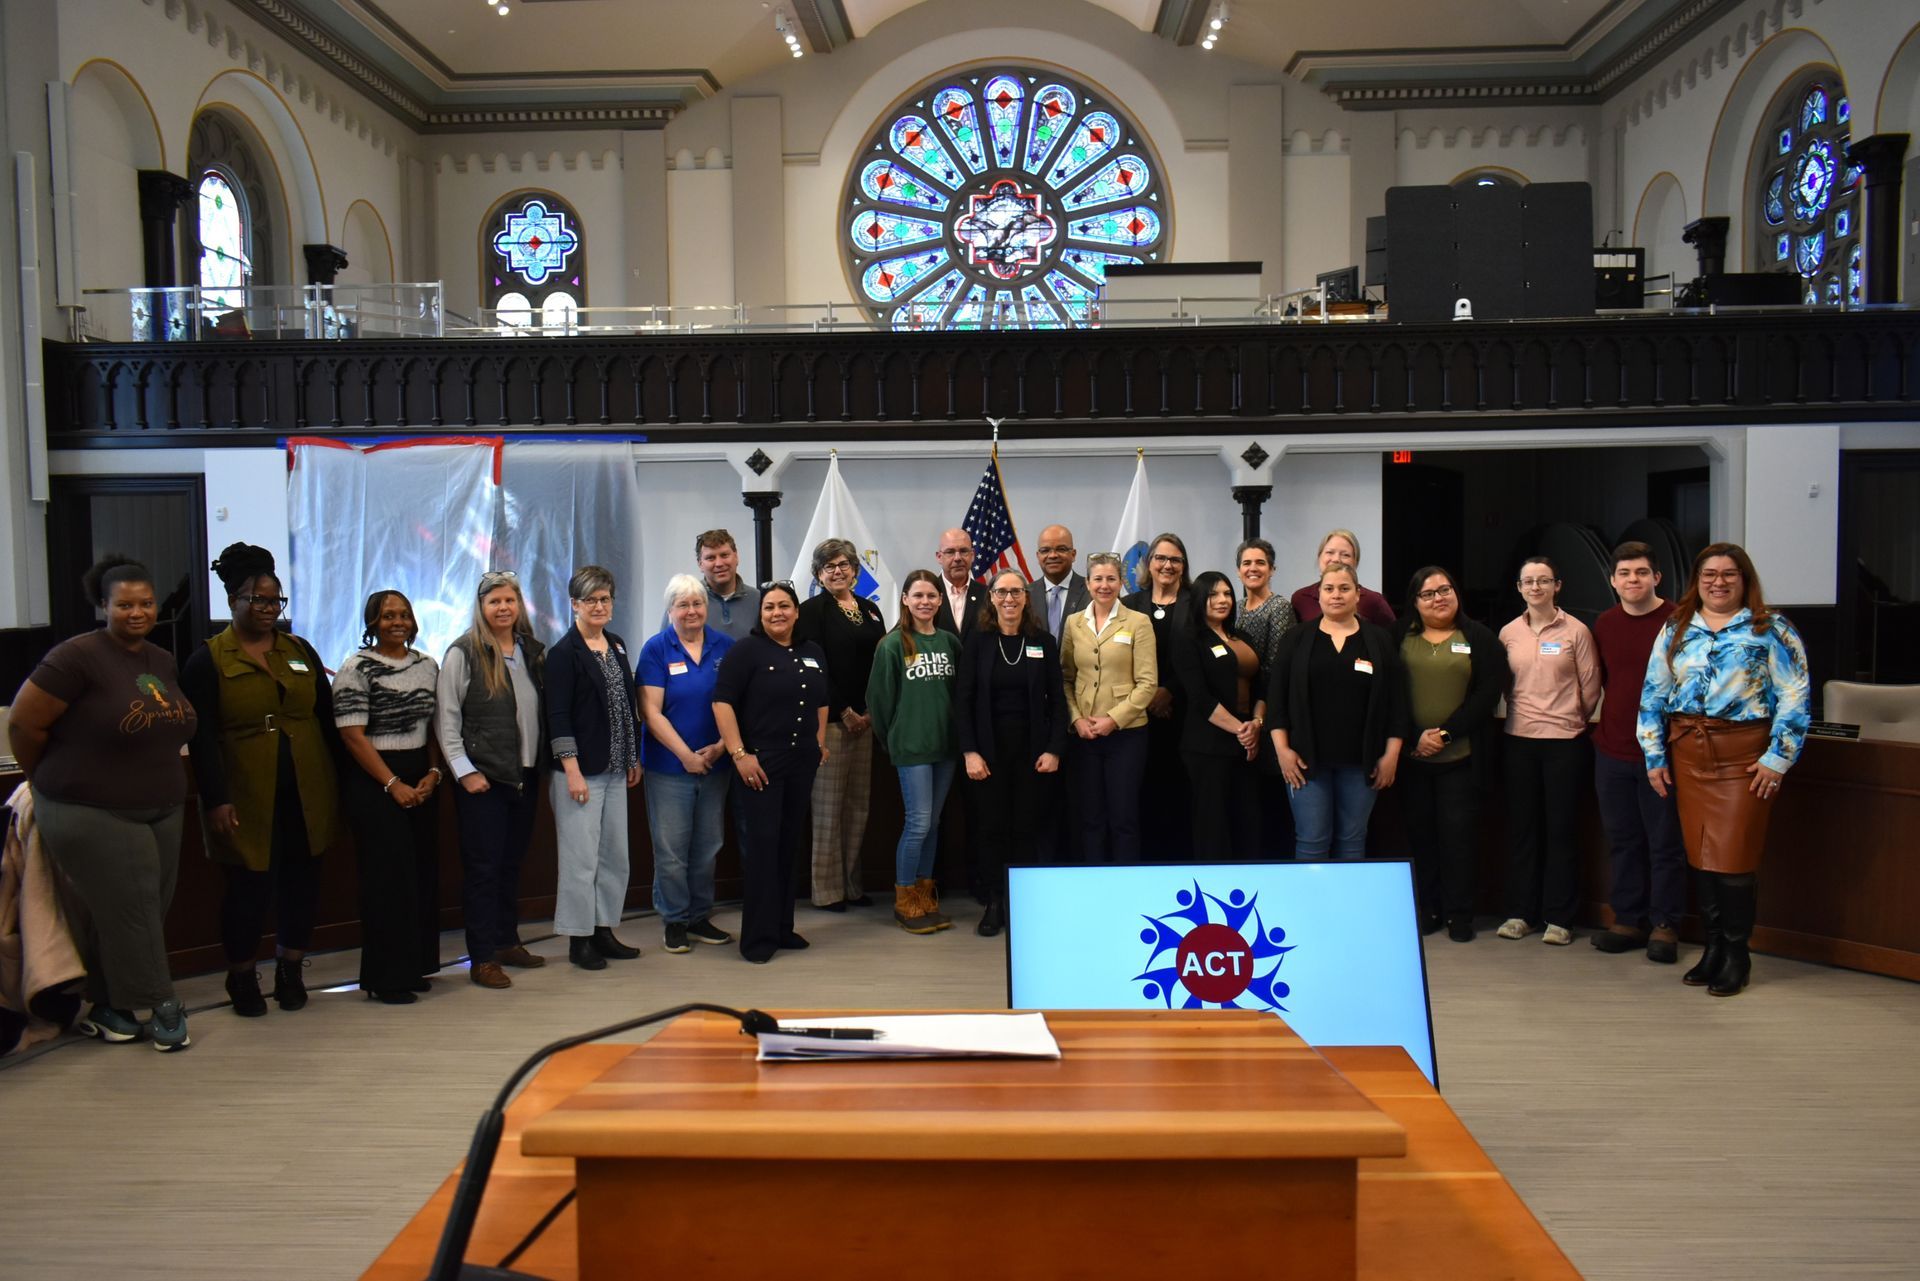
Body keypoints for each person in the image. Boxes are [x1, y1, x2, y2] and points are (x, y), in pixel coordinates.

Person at [7, 556, 197, 1050]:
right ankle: (163, 1007)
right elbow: (23, 725)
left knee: (141, 911)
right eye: (125, 605)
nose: (138, 613)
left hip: (162, 803)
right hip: (90, 809)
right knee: (134, 909)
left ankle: (109, 1005)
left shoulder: (160, 659)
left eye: (146, 603)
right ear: (103, 606)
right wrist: (43, 779)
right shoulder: (74, 658)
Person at [1639, 543, 1810, 998]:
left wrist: (1778, 758)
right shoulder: (1677, 626)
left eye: (1729, 574)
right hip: (1687, 752)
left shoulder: (1771, 628)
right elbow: (1653, 693)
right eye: (1709, 574)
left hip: (1744, 756)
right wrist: (1654, 756)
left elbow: (1795, 695)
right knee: (1701, 856)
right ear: (1697, 581)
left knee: (1734, 858)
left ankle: (1737, 954)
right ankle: (1713, 948)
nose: (1719, 582)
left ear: (1744, 579)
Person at [181, 543, 339, 1018]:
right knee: (248, 889)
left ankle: (290, 969)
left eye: (275, 601)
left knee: (302, 884)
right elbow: (201, 738)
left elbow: (325, 718)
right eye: (258, 600)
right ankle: (242, 974)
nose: (269, 609)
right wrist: (215, 799)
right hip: (245, 796)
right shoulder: (208, 660)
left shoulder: (299, 650)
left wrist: (341, 786)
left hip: (307, 791)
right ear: (233, 601)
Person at [435, 569, 549, 991]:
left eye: (509, 600)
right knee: (483, 870)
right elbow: (446, 718)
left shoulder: (531, 650)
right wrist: (465, 772)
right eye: (495, 601)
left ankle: (506, 942)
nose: (503, 608)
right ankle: (482, 958)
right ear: (481, 606)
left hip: (525, 775)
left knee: (511, 865)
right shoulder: (463, 652)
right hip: (483, 780)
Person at [333, 590, 443, 1004]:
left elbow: (433, 727)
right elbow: (352, 736)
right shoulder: (356, 668)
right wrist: (392, 783)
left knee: (420, 876)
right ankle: (386, 978)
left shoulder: (428, 665)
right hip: (374, 781)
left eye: (404, 615)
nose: (397, 622)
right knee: (388, 881)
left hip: (421, 778)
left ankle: (413, 967)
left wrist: (434, 772)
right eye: (387, 616)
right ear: (372, 624)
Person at [712, 582, 828, 964]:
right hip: (760, 763)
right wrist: (739, 754)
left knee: (789, 844)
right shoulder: (746, 651)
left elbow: (822, 701)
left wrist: (819, 742)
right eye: (769, 607)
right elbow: (722, 703)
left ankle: (782, 928)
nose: (777, 613)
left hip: (801, 762)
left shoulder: (813, 652)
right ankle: (758, 938)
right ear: (760, 614)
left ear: (796, 611)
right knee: (763, 848)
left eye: (784, 606)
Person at [1396, 566, 1508, 941]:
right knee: (1421, 837)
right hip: (1412, 759)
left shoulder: (1478, 637)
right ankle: (1428, 909)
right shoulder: (1398, 636)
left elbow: (1487, 694)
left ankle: (1460, 914)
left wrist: (1444, 734)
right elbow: (1388, 695)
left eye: (1445, 590)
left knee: (1458, 839)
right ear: (1415, 601)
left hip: (1461, 758)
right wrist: (1414, 736)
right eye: (1428, 594)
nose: (1438, 598)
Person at [1496, 556, 1601, 946]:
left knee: (1561, 831)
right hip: (1519, 741)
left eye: (1543, 581)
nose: (1535, 587)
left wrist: (1566, 718)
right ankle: (1520, 913)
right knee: (1522, 831)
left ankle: (1559, 918)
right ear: (1519, 588)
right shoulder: (1508, 632)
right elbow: (1504, 685)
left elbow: (1591, 688)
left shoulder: (1577, 631)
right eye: (1528, 581)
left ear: (1557, 585)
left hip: (1565, 743)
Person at [1268, 564, 1406, 859]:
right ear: (1319, 594)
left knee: (1353, 842)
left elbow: (1397, 703)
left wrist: (1391, 754)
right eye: (1329, 589)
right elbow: (1276, 700)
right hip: (1305, 762)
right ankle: (1312, 894)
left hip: (1362, 762)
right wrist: (1282, 751)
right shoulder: (1296, 638)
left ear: (1358, 594)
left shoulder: (1380, 640)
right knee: (1311, 842)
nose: (1336, 595)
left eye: (1344, 588)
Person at [1590, 542, 1686, 964]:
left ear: (1657, 578)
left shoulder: (1680, 621)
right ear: (1613, 581)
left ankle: (1665, 924)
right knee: (1622, 840)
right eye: (1625, 573)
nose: (1633, 580)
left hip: (1663, 754)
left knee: (1664, 843)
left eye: (1642, 572)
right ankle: (1627, 920)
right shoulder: (1605, 623)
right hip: (1612, 749)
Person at [956, 569, 1066, 936]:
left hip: (1032, 754)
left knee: (1026, 829)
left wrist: (1054, 749)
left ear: (1025, 597)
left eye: (1016, 592)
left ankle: (1021, 902)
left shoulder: (1043, 642)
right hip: (987, 754)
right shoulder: (977, 642)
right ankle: (994, 901)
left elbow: (1058, 702)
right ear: (991, 597)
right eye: (1001, 592)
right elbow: (963, 702)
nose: (1009, 599)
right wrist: (969, 751)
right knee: (991, 829)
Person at [546, 566, 643, 971]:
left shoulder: (616, 644)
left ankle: (604, 929)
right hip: (580, 772)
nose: (599, 606)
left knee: (614, 857)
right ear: (574, 604)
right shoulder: (562, 654)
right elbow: (558, 716)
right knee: (580, 860)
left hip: (616, 768)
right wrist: (571, 770)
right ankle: (579, 939)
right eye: (591, 600)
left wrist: (633, 756)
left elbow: (626, 706)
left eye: (605, 598)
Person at [638, 573, 736, 955]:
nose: (691, 611)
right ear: (670, 610)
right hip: (669, 767)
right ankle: (675, 920)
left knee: (708, 845)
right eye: (682, 605)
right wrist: (686, 756)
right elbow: (651, 712)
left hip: (716, 764)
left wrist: (720, 747)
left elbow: (737, 704)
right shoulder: (656, 649)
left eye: (697, 603)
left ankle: (699, 916)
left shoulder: (725, 647)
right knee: (672, 850)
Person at [792, 538, 886, 912]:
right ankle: (828, 890)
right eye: (828, 566)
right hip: (831, 722)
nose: (837, 571)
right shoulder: (811, 611)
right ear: (818, 574)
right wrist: (844, 710)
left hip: (867, 721)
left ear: (855, 570)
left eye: (843, 564)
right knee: (828, 809)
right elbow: (814, 668)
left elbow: (881, 664)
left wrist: (870, 711)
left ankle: (852, 884)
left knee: (858, 807)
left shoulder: (871, 610)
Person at [866, 570, 962, 934]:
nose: (925, 602)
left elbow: (959, 694)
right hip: (912, 747)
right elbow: (879, 701)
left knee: (933, 823)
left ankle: (925, 896)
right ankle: (905, 899)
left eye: (931, 596)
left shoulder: (950, 642)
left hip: (945, 747)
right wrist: (895, 738)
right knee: (918, 822)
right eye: (917, 595)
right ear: (905, 599)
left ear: (940, 600)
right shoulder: (892, 645)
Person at [1060, 551, 1158, 863]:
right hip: (1084, 735)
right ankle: (1094, 879)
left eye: (1111, 579)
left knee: (1123, 816)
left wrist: (1113, 720)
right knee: (1090, 816)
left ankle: (1125, 880)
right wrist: (1076, 719)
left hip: (1126, 735)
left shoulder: (1138, 622)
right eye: (1098, 579)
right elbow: (1065, 678)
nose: (1104, 585)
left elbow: (1148, 684)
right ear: (1088, 584)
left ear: (1120, 583)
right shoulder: (1074, 623)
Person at [1171, 571, 1263, 859]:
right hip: (1208, 744)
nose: (1222, 600)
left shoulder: (1242, 636)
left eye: (1227, 594)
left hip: (1248, 742)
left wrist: (1256, 724)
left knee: (1248, 822)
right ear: (1200, 599)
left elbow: (1263, 685)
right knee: (1213, 826)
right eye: (1213, 595)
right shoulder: (1189, 639)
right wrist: (1242, 731)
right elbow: (1199, 697)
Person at [1123, 533, 1193, 862]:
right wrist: (1149, 694)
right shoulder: (1129, 604)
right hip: (1139, 716)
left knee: (1180, 792)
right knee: (1142, 790)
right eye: (1160, 558)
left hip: (1184, 714)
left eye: (1175, 559)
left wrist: (1170, 690)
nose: (1167, 565)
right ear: (1148, 564)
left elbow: (1202, 656)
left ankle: (1179, 860)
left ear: (1184, 566)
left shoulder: (1196, 603)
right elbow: (1121, 659)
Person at [1236, 537, 1299, 856]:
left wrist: (1259, 718)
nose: (1253, 568)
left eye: (1260, 562)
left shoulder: (1280, 607)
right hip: (1240, 718)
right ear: (1238, 570)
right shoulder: (1234, 607)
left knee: (1271, 802)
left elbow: (1275, 670)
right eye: (1246, 563)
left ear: (1272, 569)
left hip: (1268, 715)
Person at [662, 529, 760, 643]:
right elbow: (664, 645)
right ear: (700, 564)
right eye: (710, 558)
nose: (719, 563)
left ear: (736, 557)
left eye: (724, 555)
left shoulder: (757, 599)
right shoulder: (682, 599)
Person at [1290, 529, 1397, 628]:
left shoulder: (1373, 600)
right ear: (1319, 557)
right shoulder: (1300, 598)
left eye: (1345, 555)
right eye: (1330, 552)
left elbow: (1392, 637)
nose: (1336, 559)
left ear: (1355, 562)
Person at [1026, 524, 1089, 642]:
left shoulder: (1091, 591)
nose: (1053, 555)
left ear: (1073, 554)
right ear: (1038, 556)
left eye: (1061, 549)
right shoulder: (1025, 594)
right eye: (1045, 550)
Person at [933, 527, 988, 635]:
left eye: (963, 551)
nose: (957, 558)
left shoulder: (987, 595)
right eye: (950, 552)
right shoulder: (927, 595)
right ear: (939, 557)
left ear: (972, 555)